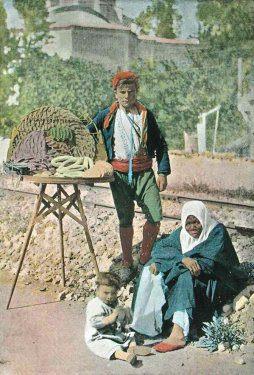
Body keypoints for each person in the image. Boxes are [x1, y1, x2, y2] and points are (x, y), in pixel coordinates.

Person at [88, 71, 170, 282]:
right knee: (125, 219)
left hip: (144, 173)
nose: (126, 96)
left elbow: (160, 144)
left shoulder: (145, 115)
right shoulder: (107, 115)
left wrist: (162, 171)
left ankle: (144, 259)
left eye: (131, 92)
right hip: (119, 175)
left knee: (154, 215)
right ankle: (126, 262)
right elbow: (86, 131)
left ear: (136, 92)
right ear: (115, 93)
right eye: (122, 92)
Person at [131, 200, 246, 353]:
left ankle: (178, 333)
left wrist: (178, 261)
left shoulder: (216, 231)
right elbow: (160, 248)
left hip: (217, 282)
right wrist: (181, 259)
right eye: (189, 223)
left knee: (185, 273)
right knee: (152, 266)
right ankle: (149, 322)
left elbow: (208, 263)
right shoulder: (182, 233)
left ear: (203, 218)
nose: (192, 227)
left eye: (196, 222)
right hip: (195, 279)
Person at [84, 272, 152, 365]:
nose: (109, 297)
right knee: (108, 346)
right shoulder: (95, 304)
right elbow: (94, 322)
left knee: (130, 335)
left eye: (113, 293)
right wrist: (109, 319)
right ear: (97, 290)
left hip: (115, 332)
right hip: (100, 335)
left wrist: (125, 314)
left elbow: (121, 317)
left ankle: (133, 348)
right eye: (106, 293)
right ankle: (125, 356)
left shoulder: (115, 301)